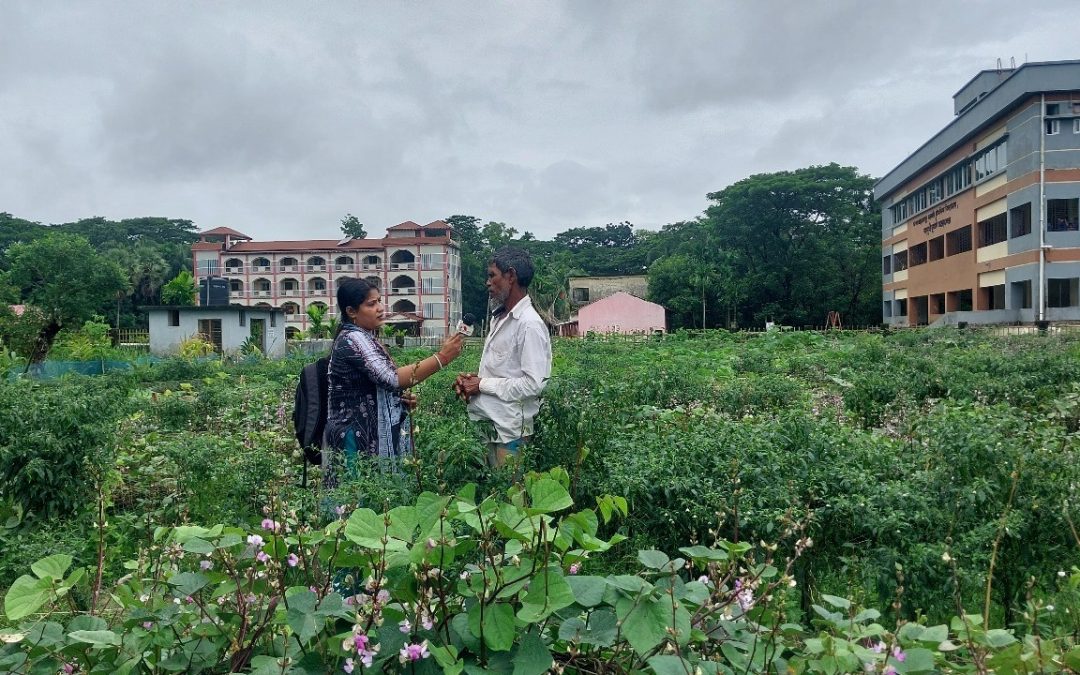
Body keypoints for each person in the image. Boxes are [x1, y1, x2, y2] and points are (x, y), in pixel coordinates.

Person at [324, 278, 463, 488]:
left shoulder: (364, 337)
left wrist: (397, 401)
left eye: (379, 301)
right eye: (371, 304)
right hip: (354, 436)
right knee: (354, 503)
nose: (380, 308)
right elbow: (392, 378)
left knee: (372, 501)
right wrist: (441, 358)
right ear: (351, 311)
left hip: (366, 435)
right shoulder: (353, 339)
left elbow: (380, 384)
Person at [454, 248, 552, 469]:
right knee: (491, 497)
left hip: (510, 433)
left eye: (492, 275)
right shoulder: (500, 318)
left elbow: (534, 384)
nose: (487, 282)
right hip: (489, 425)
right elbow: (502, 372)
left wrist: (481, 384)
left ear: (510, 276)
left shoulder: (529, 325)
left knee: (509, 499)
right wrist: (473, 382)